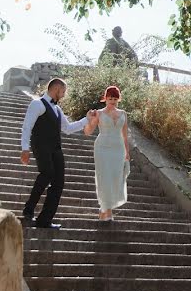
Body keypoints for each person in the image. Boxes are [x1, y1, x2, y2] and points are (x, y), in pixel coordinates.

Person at [20, 78, 96, 229]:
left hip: (55, 148)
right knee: (46, 173)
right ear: (56, 89)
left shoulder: (57, 109)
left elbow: (67, 129)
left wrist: (86, 119)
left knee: (59, 182)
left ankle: (44, 220)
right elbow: (27, 126)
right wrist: (25, 148)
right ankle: (28, 210)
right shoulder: (37, 104)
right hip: (41, 145)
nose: (64, 94)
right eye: (63, 91)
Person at [84, 85, 130, 221]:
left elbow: (125, 136)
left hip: (118, 149)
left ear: (118, 100)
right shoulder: (99, 113)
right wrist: (90, 120)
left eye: (115, 99)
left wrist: (127, 152)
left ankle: (103, 210)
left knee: (116, 179)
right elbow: (87, 132)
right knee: (104, 178)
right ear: (105, 98)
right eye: (110, 98)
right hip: (102, 148)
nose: (112, 101)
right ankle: (107, 211)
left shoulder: (123, 114)